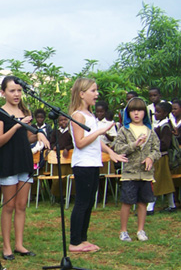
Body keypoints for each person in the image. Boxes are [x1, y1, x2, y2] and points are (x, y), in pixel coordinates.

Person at [0, 76, 50, 260]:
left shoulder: (25, 110)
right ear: (3, 92)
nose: (16, 94)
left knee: (21, 205)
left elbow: (27, 138)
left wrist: (39, 134)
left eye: (19, 90)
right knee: (8, 206)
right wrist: (17, 125)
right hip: (8, 161)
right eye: (12, 91)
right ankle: (7, 246)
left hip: (24, 160)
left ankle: (19, 244)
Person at [68, 78, 127, 253]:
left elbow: (94, 142)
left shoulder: (90, 115)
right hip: (83, 164)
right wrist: (100, 131)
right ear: (81, 94)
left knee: (88, 203)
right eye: (93, 91)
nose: (97, 94)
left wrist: (110, 152)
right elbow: (80, 142)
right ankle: (74, 242)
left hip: (93, 163)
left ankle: (82, 239)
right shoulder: (78, 115)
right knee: (82, 202)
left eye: (96, 90)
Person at [114, 98, 160, 242]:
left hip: (146, 174)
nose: (136, 113)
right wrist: (134, 144)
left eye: (139, 110)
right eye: (133, 110)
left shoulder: (150, 131)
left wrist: (151, 158)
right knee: (127, 202)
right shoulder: (124, 130)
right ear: (128, 113)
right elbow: (118, 148)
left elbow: (157, 150)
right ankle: (123, 231)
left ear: (144, 113)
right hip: (130, 173)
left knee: (142, 202)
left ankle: (141, 230)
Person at [146, 101, 177, 214]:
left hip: (161, 157)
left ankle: (150, 207)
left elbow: (165, 144)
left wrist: (152, 145)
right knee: (165, 181)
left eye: (158, 112)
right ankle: (172, 205)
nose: (156, 114)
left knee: (156, 181)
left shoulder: (165, 126)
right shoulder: (160, 124)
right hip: (158, 157)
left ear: (165, 113)